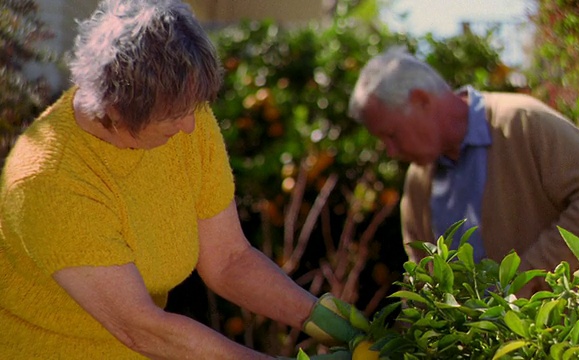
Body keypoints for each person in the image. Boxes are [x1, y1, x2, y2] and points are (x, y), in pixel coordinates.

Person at [0, 0, 360, 358]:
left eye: (193, 109)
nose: (189, 126)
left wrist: (320, 319)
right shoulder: (49, 181)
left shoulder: (185, 118)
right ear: (117, 107)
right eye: (174, 115)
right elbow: (142, 328)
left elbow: (229, 260)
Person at [348, 48, 579, 296]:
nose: (390, 151)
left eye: (392, 135)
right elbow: (425, 282)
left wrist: (523, 279)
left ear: (422, 100)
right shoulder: (418, 182)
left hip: (566, 342)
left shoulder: (523, 122)